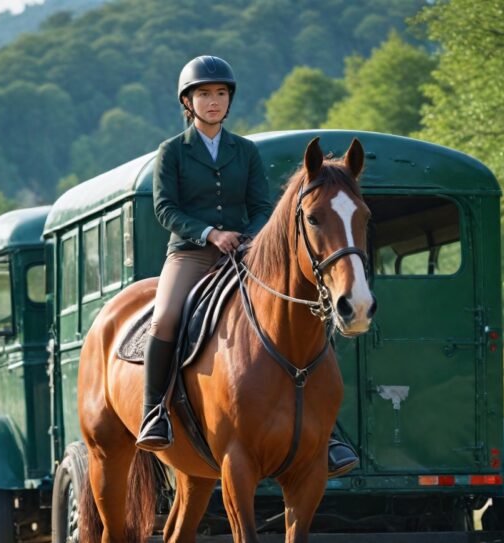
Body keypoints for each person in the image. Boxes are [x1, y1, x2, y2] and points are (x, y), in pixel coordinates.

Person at [137, 55, 359, 477]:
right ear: (188, 102)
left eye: (221, 93)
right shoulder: (172, 152)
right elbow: (166, 209)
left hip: (245, 251)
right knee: (165, 318)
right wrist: (210, 234)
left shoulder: (246, 151)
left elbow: (261, 207)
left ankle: (329, 432)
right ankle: (155, 414)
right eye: (205, 94)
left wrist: (250, 238)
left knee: (301, 320)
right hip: (191, 252)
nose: (214, 101)